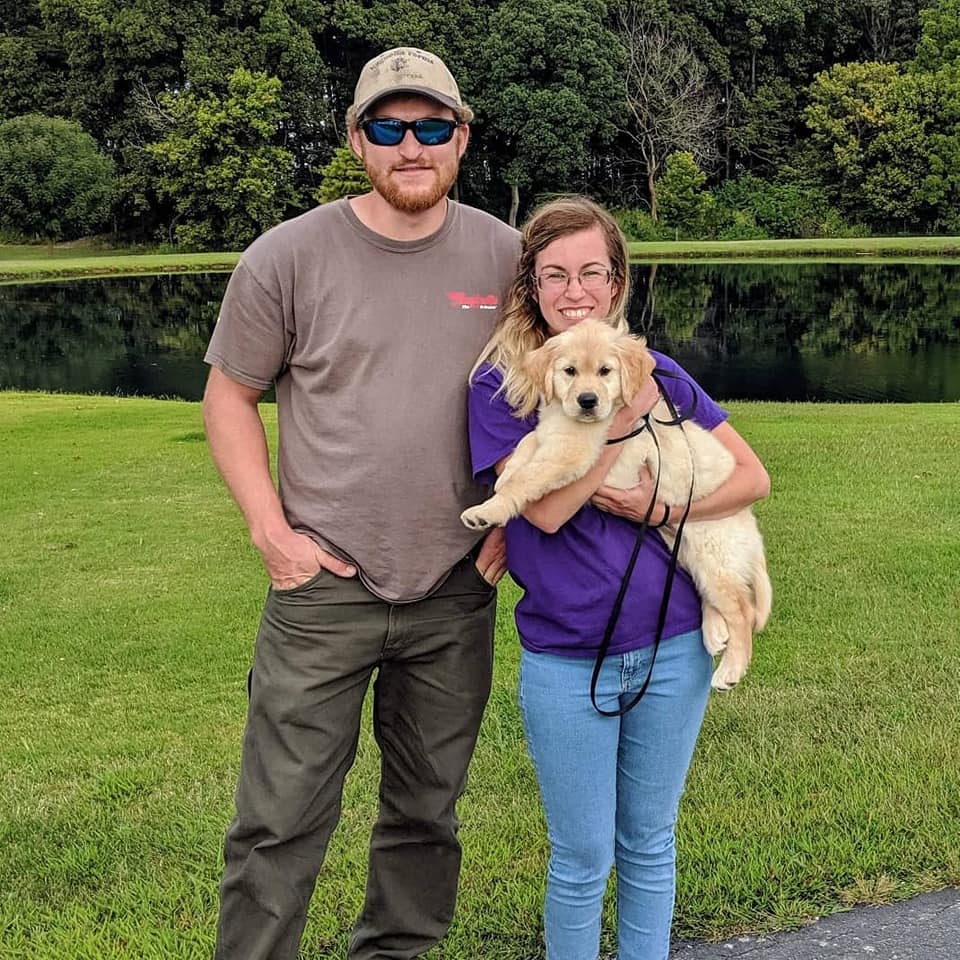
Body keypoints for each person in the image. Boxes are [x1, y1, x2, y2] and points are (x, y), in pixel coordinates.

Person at [202, 47, 519, 960]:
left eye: (430, 127)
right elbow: (230, 397)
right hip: (323, 591)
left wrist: (510, 527)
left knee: (427, 815)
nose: (410, 145)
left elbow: (550, 388)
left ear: (461, 138)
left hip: (454, 588)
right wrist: (274, 535)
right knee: (278, 821)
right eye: (389, 127)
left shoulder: (504, 255)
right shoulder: (287, 256)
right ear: (356, 140)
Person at [467, 196, 770, 960]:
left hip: (673, 645)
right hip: (568, 656)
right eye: (556, 274)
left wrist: (663, 505)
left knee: (650, 844)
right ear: (532, 286)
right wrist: (621, 426)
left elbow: (751, 479)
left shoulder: (655, 371)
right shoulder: (509, 385)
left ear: (616, 282)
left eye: (592, 273)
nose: (575, 290)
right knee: (579, 858)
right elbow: (544, 512)